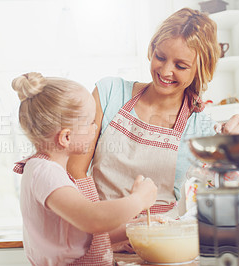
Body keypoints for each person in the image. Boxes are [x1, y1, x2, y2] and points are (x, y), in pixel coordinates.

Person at [67, 7, 239, 220]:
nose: (165, 71)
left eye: (180, 65)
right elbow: (74, 171)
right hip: (100, 231)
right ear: (152, 49)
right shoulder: (108, 93)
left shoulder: (200, 127)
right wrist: (102, 230)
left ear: (200, 69)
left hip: (162, 238)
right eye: (160, 57)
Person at [11, 72, 158, 265]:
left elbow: (76, 237)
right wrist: (139, 200)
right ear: (66, 137)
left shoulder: (49, 171)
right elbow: (93, 219)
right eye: (90, 123)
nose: (95, 127)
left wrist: (129, 228)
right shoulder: (45, 172)